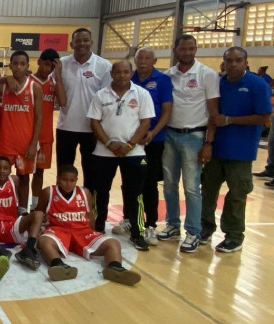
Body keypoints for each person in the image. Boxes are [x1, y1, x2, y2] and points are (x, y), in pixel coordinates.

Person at [201, 47, 272, 253]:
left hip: (241, 152)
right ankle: (205, 228)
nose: (233, 64)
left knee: (237, 194)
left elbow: (264, 118)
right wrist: (208, 143)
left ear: (245, 62)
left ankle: (233, 235)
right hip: (216, 149)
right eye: (229, 60)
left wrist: (230, 120)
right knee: (208, 191)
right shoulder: (218, 84)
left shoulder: (257, 84)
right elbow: (212, 117)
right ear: (223, 63)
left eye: (238, 60)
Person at [157, 35, 219, 253]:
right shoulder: (168, 75)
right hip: (170, 135)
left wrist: (209, 142)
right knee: (170, 183)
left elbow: (214, 113)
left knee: (192, 187)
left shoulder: (207, 75)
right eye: (183, 48)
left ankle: (193, 231)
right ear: (175, 50)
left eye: (191, 48)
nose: (187, 52)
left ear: (196, 49)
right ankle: (173, 224)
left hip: (195, 137)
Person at [35, 165, 141, 286]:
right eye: (64, 180)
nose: (68, 184)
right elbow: (38, 214)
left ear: (76, 180)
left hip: (82, 231)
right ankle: (58, 265)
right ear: (58, 179)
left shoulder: (85, 193)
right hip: (58, 230)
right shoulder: (48, 192)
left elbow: (90, 216)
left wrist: (94, 235)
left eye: (72, 180)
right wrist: (36, 236)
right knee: (45, 241)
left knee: (113, 242)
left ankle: (115, 268)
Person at [87, 60, 155, 251]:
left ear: (131, 73)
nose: (122, 75)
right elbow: (94, 122)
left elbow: (145, 123)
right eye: (118, 72)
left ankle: (137, 232)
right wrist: (109, 143)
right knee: (100, 192)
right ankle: (98, 229)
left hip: (134, 152)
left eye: (126, 72)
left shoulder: (142, 94)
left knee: (135, 194)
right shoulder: (100, 95)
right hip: (103, 152)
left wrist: (130, 144)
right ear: (111, 73)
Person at [113, 47, 172, 246]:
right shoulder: (129, 79)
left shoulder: (163, 80)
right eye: (140, 58)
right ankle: (129, 219)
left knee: (149, 184)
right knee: (127, 182)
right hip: (129, 142)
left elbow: (166, 111)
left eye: (148, 58)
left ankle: (151, 225)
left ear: (155, 60)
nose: (144, 61)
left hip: (152, 141)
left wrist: (152, 134)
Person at [57, 28, 112, 191]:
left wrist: (100, 129)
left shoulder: (103, 65)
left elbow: (106, 99)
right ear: (71, 44)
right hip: (66, 127)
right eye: (78, 41)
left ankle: (88, 209)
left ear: (91, 42)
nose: (82, 44)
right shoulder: (62, 63)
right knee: (64, 170)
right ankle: (61, 207)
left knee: (92, 172)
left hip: (92, 128)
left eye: (85, 40)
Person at [0, 51, 43, 211]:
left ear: (28, 66)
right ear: (10, 65)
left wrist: (33, 144)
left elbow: (38, 118)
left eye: (22, 64)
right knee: (1, 178)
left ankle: (23, 211)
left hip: (25, 143)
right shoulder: (3, 86)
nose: (18, 67)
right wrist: (6, 78)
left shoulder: (35, 88)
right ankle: (3, 208)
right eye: (15, 63)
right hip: (5, 142)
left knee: (24, 178)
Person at [29, 49, 67, 210]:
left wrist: (58, 75)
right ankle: (19, 204)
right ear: (38, 61)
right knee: (22, 174)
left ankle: (36, 205)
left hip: (45, 135)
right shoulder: (28, 81)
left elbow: (63, 102)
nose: (47, 69)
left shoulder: (54, 83)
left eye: (51, 67)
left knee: (39, 172)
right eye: (45, 65)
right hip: (26, 134)